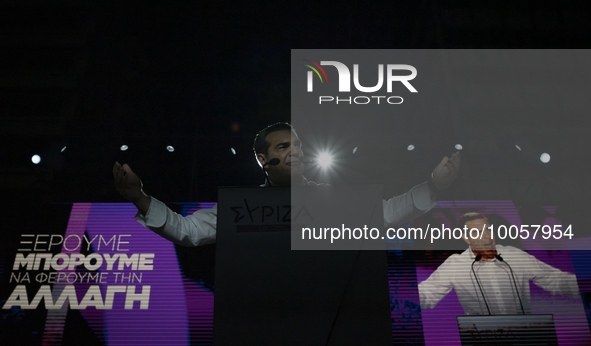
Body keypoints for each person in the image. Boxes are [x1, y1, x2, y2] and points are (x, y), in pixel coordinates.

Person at [113, 122, 461, 246]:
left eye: (298, 146)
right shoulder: (241, 206)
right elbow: (187, 230)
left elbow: (385, 214)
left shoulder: (333, 198)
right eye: (283, 147)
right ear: (263, 160)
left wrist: (433, 187)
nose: (295, 153)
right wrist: (139, 198)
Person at [418, 212, 580, 315]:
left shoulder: (515, 255)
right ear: (466, 238)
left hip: (526, 333)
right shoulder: (455, 264)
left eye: (488, 230)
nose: (487, 236)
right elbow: (426, 294)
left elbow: (557, 280)